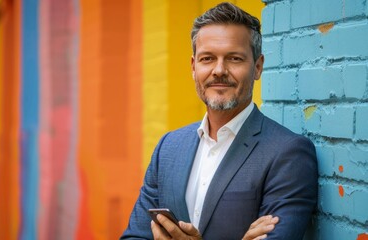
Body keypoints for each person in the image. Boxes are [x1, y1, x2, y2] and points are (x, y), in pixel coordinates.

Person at [121, 2, 318, 239]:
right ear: (194, 67)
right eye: (207, 59)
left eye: (234, 58)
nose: (219, 70)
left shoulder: (288, 153)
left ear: (257, 67)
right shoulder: (168, 148)